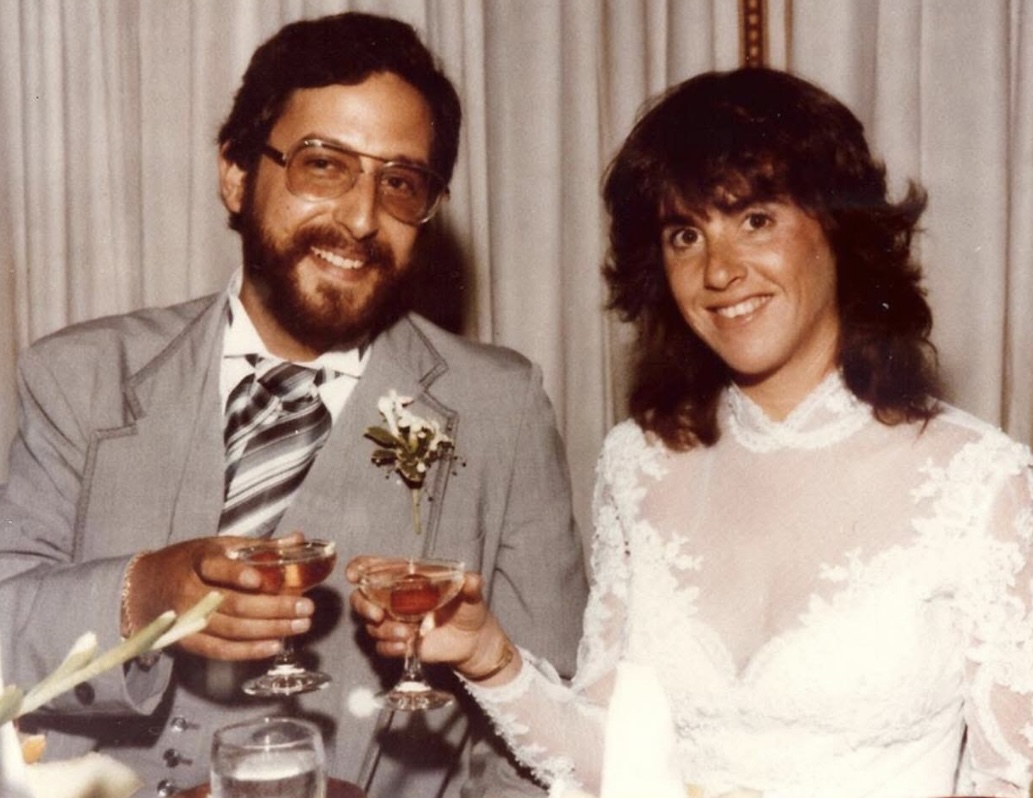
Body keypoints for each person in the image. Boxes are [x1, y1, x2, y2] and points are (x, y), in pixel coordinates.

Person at [348, 67, 1033, 798]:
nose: (719, 270)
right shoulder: (637, 464)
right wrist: (489, 657)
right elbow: (616, 763)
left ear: (836, 226)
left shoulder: (982, 482)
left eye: (755, 220)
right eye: (685, 235)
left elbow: (1007, 781)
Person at [0, 12, 587, 797]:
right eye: (323, 165)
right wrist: (142, 594)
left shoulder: (499, 407)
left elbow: (551, 722)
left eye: (400, 183)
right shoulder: (79, 378)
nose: (358, 217)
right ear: (237, 174)